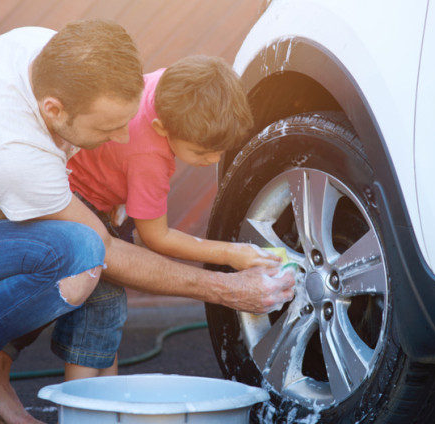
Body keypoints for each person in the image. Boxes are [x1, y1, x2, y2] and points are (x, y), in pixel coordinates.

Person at [0, 20, 295, 424]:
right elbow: (105, 252)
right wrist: (228, 289)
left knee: (76, 250)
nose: (116, 138)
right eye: (107, 130)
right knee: (79, 253)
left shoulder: (44, 50)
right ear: (54, 109)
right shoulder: (14, 151)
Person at [61, 55, 282, 380]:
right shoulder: (148, 157)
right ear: (161, 127)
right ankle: (80, 406)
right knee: (101, 306)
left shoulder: (173, 88)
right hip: (76, 201)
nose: (213, 159)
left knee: (107, 313)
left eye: (219, 151)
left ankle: (107, 398)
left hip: (94, 192)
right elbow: (156, 238)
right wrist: (232, 252)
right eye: (202, 152)